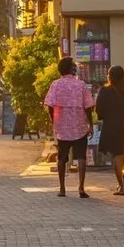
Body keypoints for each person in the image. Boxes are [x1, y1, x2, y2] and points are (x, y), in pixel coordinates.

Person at [43, 56, 97, 199]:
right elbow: (88, 108)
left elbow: (49, 105)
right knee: (81, 157)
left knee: (61, 157)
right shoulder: (82, 85)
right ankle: (81, 188)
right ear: (71, 69)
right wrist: (90, 125)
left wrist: (53, 121)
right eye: (74, 65)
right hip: (79, 126)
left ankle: (62, 188)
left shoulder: (55, 85)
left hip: (62, 127)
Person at [95, 65, 124, 194]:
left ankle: (122, 185)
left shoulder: (104, 91)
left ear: (110, 77)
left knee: (117, 156)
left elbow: (99, 112)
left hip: (111, 127)